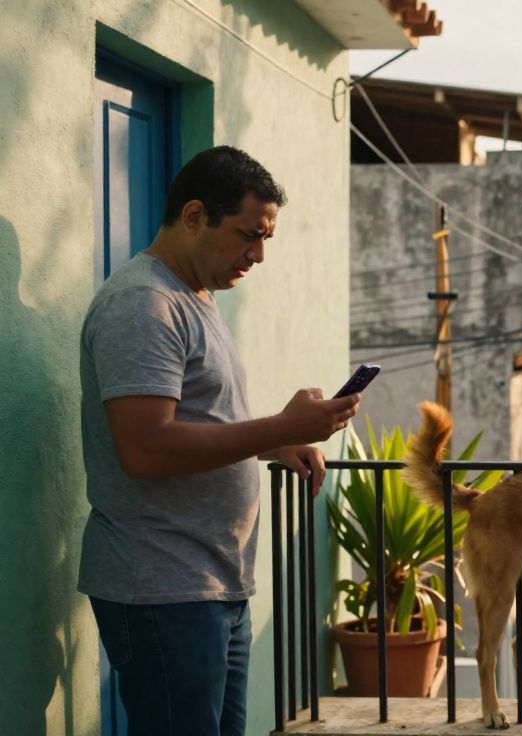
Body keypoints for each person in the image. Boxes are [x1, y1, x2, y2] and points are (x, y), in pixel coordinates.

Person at [78, 145, 360, 735]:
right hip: (163, 587)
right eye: (248, 235)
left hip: (211, 586)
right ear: (194, 216)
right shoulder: (144, 305)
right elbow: (145, 449)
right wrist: (282, 427)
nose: (258, 254)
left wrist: (273, 445)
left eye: (266, 239)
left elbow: (198, 424)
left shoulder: (197, 298)